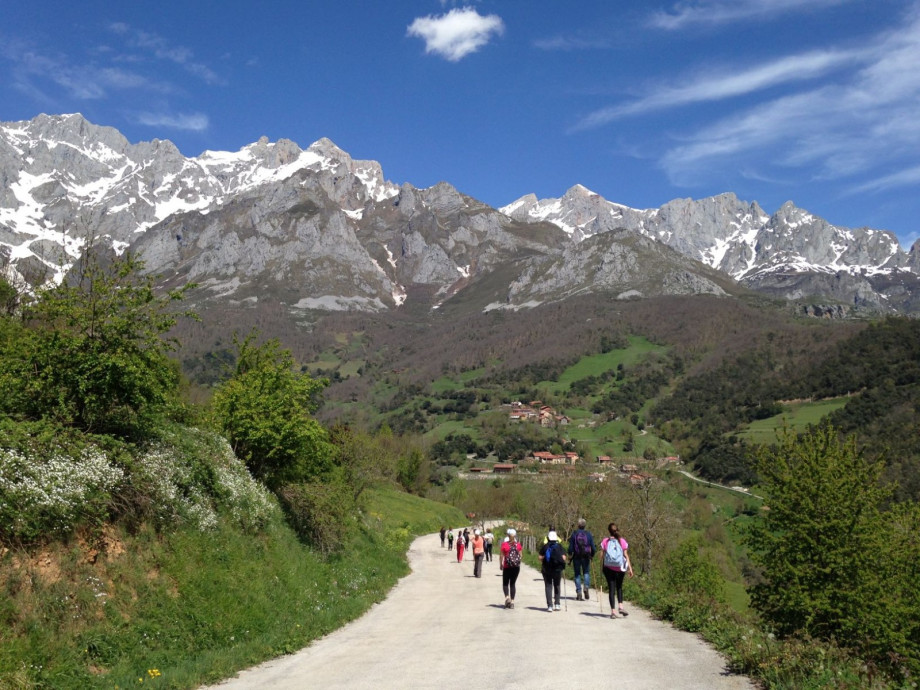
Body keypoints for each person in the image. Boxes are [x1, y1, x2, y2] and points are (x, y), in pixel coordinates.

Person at [600, 522, 634, 618]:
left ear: (609, 531)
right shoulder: (622, 541)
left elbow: (601, 556)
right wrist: (630, 568)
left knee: (611, 588)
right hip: (620, 568)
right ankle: (621, 606)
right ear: (617, 530)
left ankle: (613, 612)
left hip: (608, 568)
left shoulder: (605, 541)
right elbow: (626, 555)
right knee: (619, 586)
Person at [567, 518, 596, 601]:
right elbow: (593, 547)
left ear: (578, 525)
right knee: (586, 572)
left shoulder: (574, 534)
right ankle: (586, 587)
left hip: (576, 557)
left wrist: (569, 555)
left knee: (577, 574)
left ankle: (579, 592)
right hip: (586, 556)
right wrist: (592, 555)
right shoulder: (588, 534)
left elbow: (571, 547)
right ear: (584, 525)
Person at [539, 530, 567, 611]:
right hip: (557, 570)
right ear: (556, 538)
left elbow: (539, 557)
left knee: (548, 586)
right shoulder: (559, 546)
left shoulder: (545, 546)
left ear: (548, 538)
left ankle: (550, 606)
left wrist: (545, 559)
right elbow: (564, 558)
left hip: (546, 569)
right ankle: (557, 604)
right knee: (557, 585)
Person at [500, 528, 523, 608]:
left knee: (505, 583)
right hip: (516, 567)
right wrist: (517, 562)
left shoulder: (504, 544)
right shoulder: (518, 545)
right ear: (515, 535)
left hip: (507, 566)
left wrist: (501, 564)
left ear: (508, 535)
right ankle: (512, 602)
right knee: (512, 584)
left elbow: (501, 556)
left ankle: (507, 597)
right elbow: (521, 556)